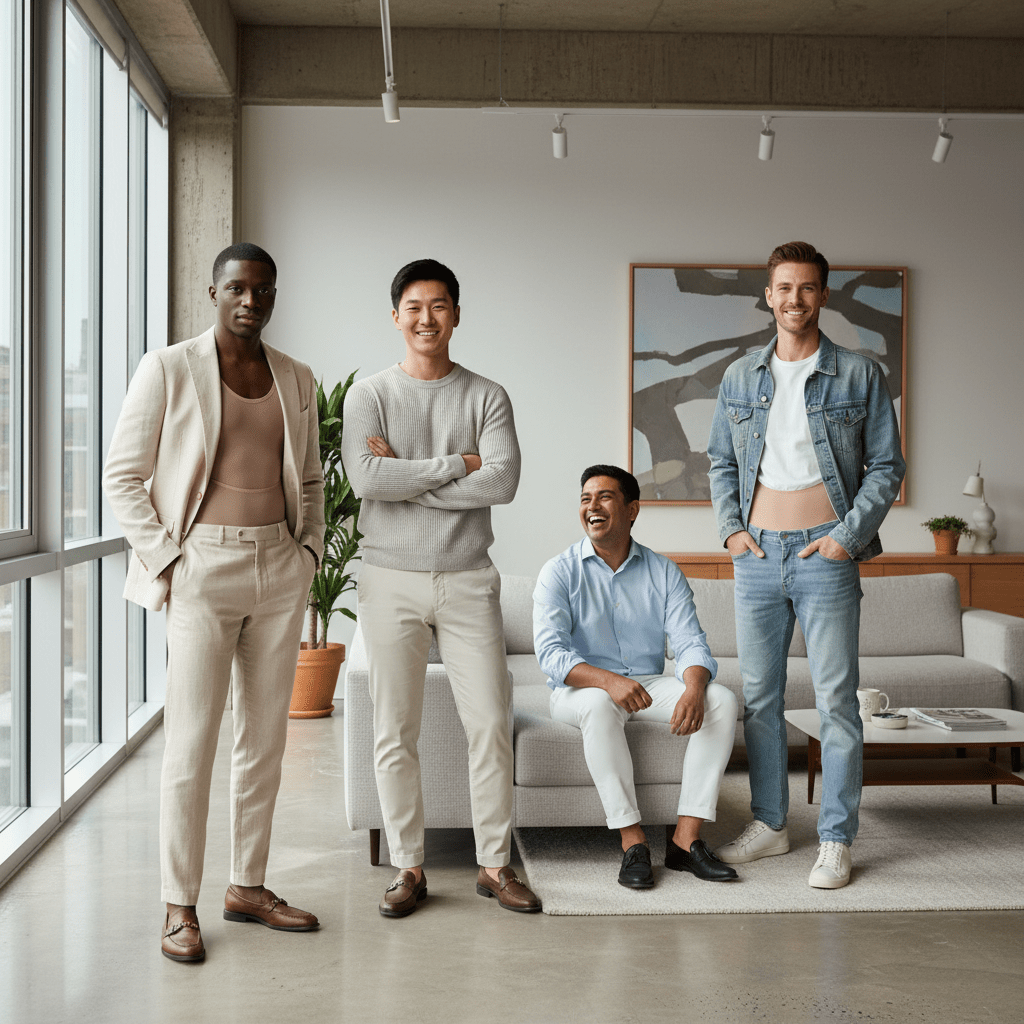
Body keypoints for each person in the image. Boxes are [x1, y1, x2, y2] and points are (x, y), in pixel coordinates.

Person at [102, 243, 325, 961]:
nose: (250, 301)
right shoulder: (168, 368)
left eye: (263, 290)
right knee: (192, 744)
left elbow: (314, 481)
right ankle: (178, 904)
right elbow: (122, 476)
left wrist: (309, 553)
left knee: (264, 741)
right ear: (213, 291)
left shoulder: (296, 376)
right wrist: (171, 558)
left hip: (279, 569)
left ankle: (248, 886)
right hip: (203, 565)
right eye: (237, 288)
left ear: (274, 295)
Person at [341, 258, 541, 917]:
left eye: (440, 305)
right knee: (394, 728)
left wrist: (411, 475)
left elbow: (503, 483)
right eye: (415, 306)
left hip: (467, 580)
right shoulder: (370, 395)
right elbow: (368, 481)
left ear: (456, 314)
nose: (427, 318)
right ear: (396, 315)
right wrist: (460, 465)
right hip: (387, 579)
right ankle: (408, 868)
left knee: (489, 723)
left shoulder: (487, 395)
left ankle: (493, 865)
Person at [707, 241, 905, 889]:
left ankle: (836, 838)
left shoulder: (859, 374)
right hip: (758, 553)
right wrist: (733, 531)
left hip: (827, 551)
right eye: (783, 288)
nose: (795, 299)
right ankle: (770, 825)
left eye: (808, 288)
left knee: (836, 703)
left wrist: (848, 537)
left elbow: (886, 467)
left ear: (824, 294)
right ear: (768, 296)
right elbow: (720, 461)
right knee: (759, 700)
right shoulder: (739, 376)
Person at [533, 465, 739, 889]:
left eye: (605, 497)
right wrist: (608, 681)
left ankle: (685, 842)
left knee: (722, 700)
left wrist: (694, 687)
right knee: (597, 704)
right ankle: (633, 843)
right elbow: (551, 655)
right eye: (586, 498)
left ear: (632, 510)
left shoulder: (663, 571)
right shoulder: (559, 571)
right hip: (580, 688)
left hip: (647, 682)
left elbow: (691, 643)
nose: (592, 506)